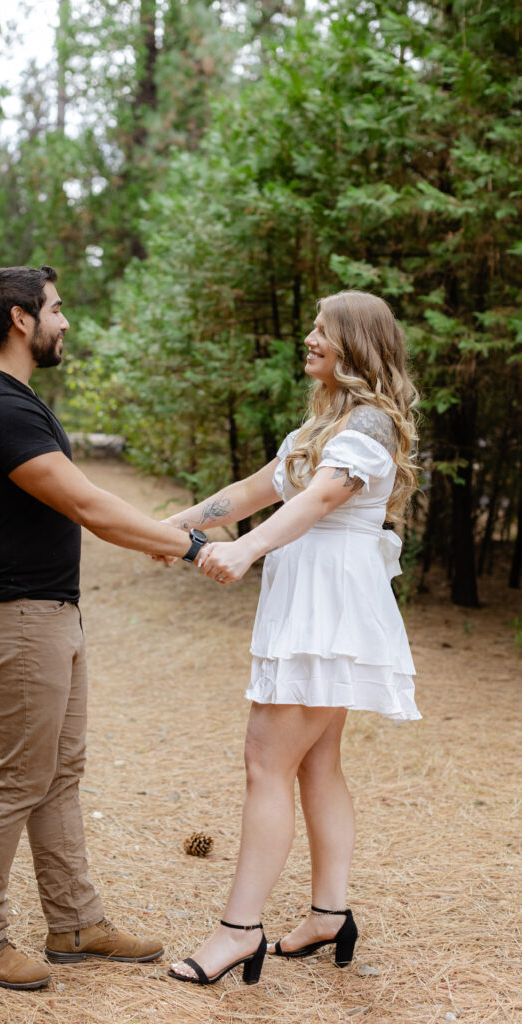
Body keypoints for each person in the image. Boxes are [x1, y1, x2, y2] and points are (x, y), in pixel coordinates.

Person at [0, 265, 204, 991]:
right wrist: (183, 545)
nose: (66, 323)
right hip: (19, 617)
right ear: (21, 319)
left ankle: (75, 923)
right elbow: (85, 504)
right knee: (19, 779)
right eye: (58, 309)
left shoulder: (13, 400)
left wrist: (164, 529)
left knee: (57, 776)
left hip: (48, 611)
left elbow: (85, 502)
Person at [163, 290, 420, 987]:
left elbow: (319, 500)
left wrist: (244, 553)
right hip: (317, 603)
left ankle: (238, 931)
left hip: (326, 608)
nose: (307, 339)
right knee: (313, 764)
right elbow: (254, 490)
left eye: (321, 330)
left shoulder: (366, 424)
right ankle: (328, 915)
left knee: (264, 764)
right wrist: (168, 529)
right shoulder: (326, 423)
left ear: (355, 345)